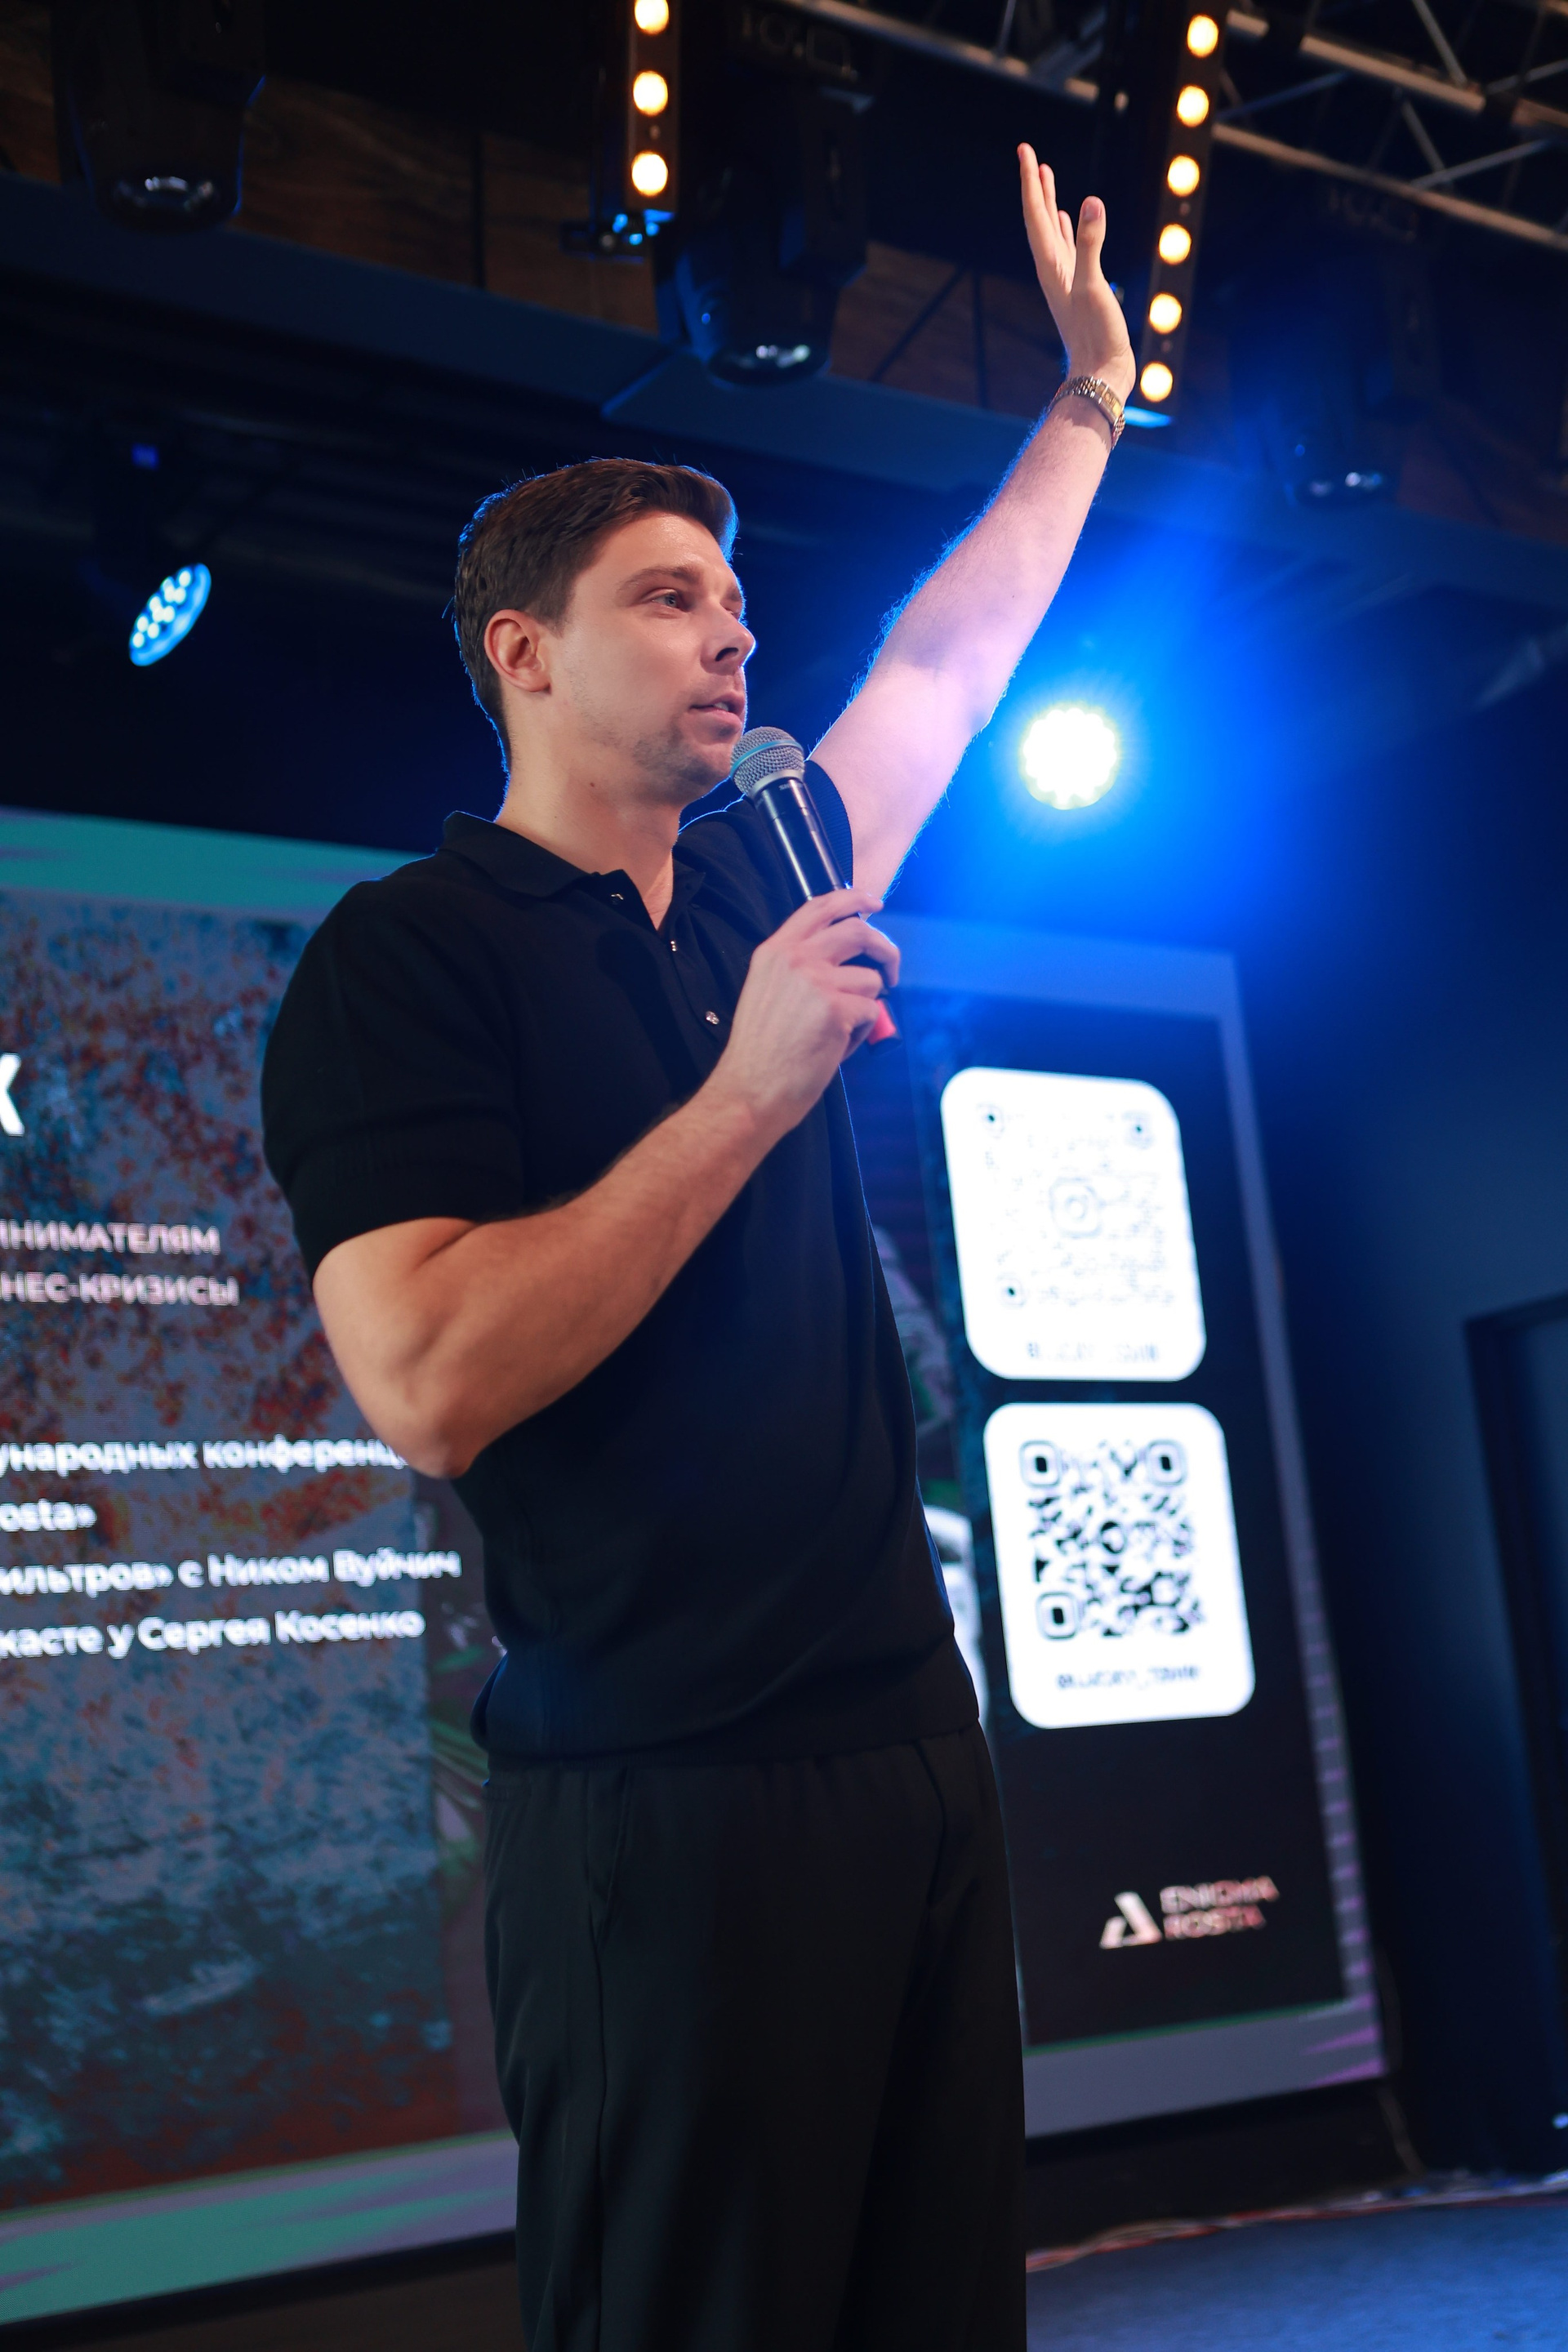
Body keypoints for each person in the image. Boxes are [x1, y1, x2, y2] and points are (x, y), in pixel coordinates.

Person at [262, 150, 1134, 2352]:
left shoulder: (765, 869)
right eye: (669, 599)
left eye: (737, 603)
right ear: (524, 653)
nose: (732, 631)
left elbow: (948, 658)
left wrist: (1084, 405)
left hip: (908, 1752)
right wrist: (748, 1090)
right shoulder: (405, 958)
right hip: (660, 1791)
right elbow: (432, 1380)